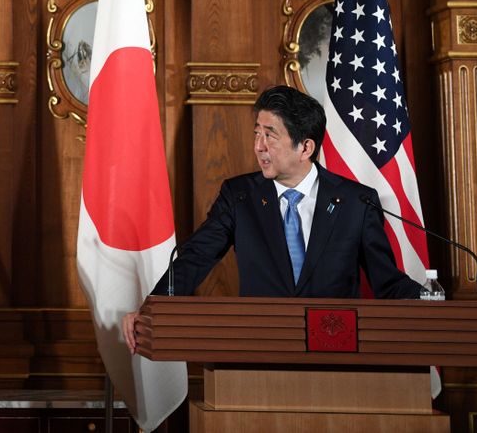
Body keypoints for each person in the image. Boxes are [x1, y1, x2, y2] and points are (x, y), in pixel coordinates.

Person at [123, 84, 422, 352]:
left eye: (270, 135)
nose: (258, 146)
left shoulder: (356, 201)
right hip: (259, 350)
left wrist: (427, 300)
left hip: (334, 354)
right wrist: (151, 308)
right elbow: (195, 257)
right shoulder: (239, 196)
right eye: (257, 133)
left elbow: (387, 281)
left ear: (305, 147)